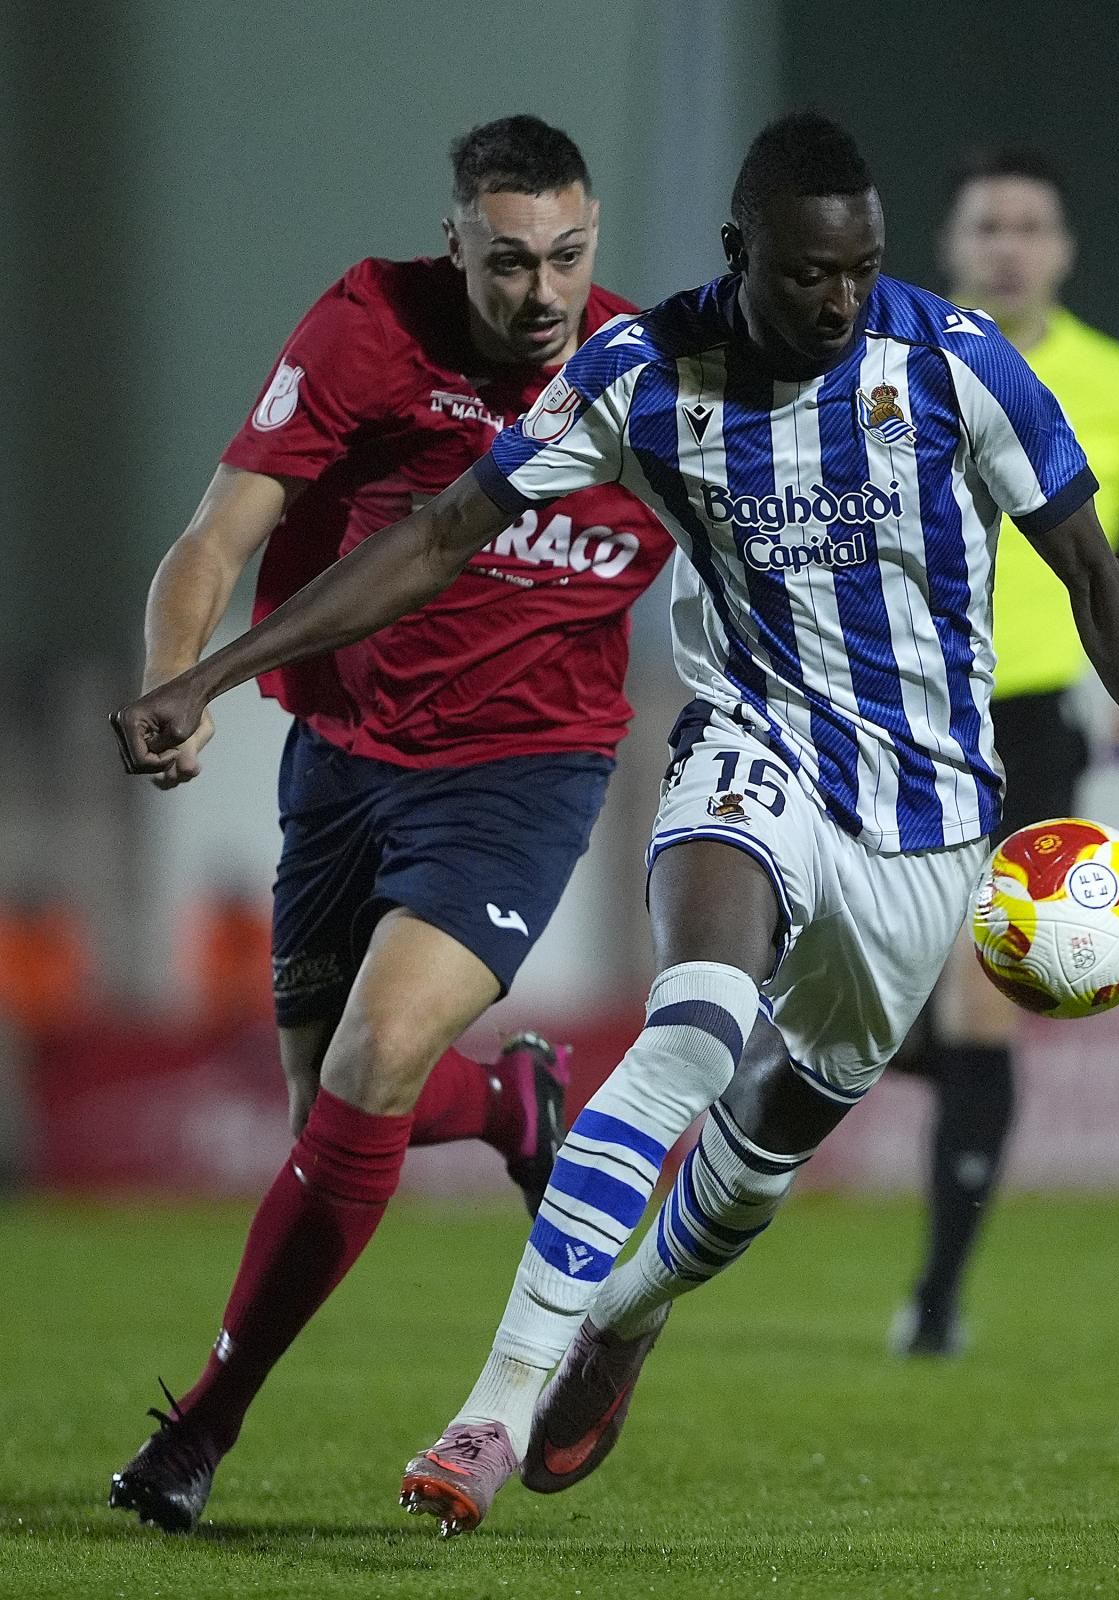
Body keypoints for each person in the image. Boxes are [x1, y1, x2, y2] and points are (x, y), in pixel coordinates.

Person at [112, 112, 1119, 1536]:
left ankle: (624, 1318)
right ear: (741, 254)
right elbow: (442, 535)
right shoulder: (644, 376)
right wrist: (215, 672)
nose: (840, 300)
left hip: (929, 818)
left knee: (764, 1154)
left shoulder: (953, 361)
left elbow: (1093, 561)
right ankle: (488, 1417)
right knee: (687, 1028)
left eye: (863, 269)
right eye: (810, 273)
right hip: (745, 752)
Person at [107, 114, 673, 1534]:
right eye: (506, 262)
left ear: (593, 238)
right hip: (347, 763)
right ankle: (511, 1103)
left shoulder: (648, 385)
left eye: (566, 257)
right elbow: (216, 537)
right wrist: (177, 680)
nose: (540, 292)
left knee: (368, 1057)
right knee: (329, 1116)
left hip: (525, 772)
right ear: (455, 245)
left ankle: (200, 1431)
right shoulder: (369, 326)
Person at [885, 148, 1119, 1358]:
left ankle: (933, 1300)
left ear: (1063, 251)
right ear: (952, 245)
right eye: (989, 225)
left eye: (1031, 224)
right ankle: (886, 1044)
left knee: (988, 998)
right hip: (895, 707)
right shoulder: (897, 364)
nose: (1009, 244)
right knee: (858, 979)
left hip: (1029, 720)